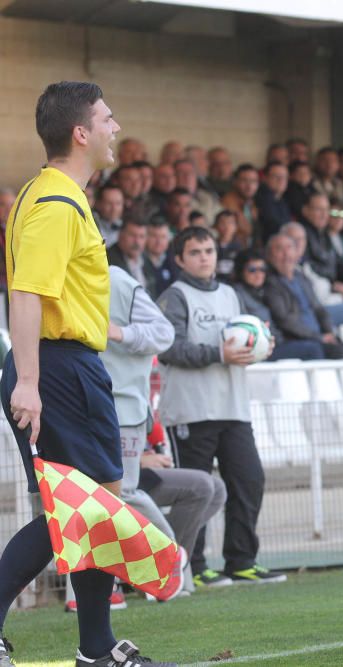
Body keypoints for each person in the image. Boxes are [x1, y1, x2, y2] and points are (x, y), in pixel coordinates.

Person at [0, 81, 174, 667]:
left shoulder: (51, 194)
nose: (115, 127)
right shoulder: (54, 202)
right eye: (107, 117)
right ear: (81, 133)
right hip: (55, 366)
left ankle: (97, 650)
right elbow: (25, 293)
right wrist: (28, 380)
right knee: (70, 512)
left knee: (93, 509)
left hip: (65, 365)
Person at [156, 227, 285, 588]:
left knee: (249, 480)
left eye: (209, 250)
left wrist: (259, 346)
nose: (204, 257)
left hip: (233, 408)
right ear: (180, 259)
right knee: (195, 492)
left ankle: (242, 561)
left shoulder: (230, 293)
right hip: (190, 411)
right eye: (195, 252)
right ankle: (192, 566)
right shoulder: (174, 296)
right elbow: (168, 347)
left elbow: (241, 336)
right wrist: (219, 353)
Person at [99, 266, 225, 599]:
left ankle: (168, 561)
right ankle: (146, 572)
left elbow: (163, 333)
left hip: (123, 414)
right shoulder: (54, 278)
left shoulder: (116, 280)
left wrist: (118, 333)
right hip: (92, 412)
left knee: (124, 493)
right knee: (90, 499)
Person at [262, 234, 343, 359]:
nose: (286, 254)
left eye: (289, 248)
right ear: (270, 256)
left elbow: (319, 309)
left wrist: (329, 333)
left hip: (320, 338)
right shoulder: (270, 283)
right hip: (300, 341)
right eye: (279, 249)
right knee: (338, 353)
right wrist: (319, 337)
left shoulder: (300, 277)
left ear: (296, 252)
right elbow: (285, 321)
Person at [106, 219, 156, 292]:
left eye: (141, 236)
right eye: (132, 235)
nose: (137, 242)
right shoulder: (108, 260)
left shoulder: (147, 260)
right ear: (120, 235)